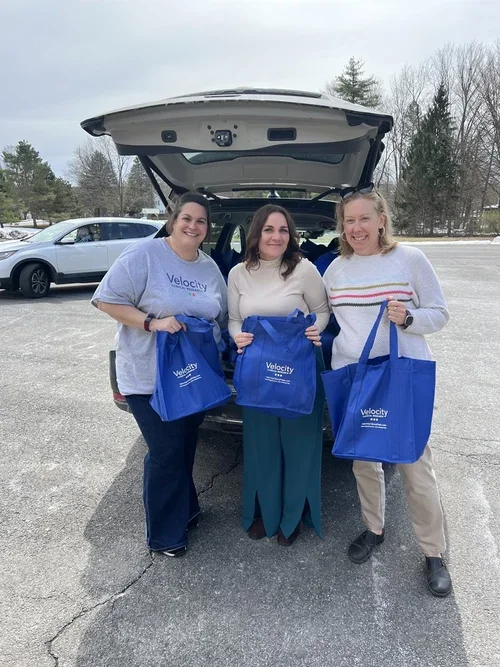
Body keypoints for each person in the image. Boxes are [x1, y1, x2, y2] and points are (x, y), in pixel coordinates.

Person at [323, 185, 452, 597]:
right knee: (365, 463)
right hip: (355, 377)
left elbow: (440, 313)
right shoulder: (335, 270)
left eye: (364, 218)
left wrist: (410, 317)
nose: (357, 228)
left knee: (415, 466)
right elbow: (326, 317)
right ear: (341, 226)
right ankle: (373, 528)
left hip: (400, 376)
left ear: (382, 219)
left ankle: (433, 552)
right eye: (349, 220)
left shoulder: (410, 259)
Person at [91, 192, 227, 558]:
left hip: (193, 377)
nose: (193, 226)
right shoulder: (144, 255)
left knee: (183, 448)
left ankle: (187, 510)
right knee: (165, 454)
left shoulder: (209, 267)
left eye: (200, 221)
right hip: (148, 377)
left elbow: (222, 316)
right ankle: (166, 536)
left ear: (207, 228)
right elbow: (106, 300)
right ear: (172, 219)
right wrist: (152, 322)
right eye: (186, 218)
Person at [228, 204, 330, 546]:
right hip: (257, 371)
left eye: (283, 230)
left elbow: (321, 311)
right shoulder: (238, 273)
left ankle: (292, 517)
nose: (276, 236)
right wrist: (236, 335)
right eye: (269, 229)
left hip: (298, 367)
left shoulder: (304, 269)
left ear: (291, 235)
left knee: (298, 443)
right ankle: (264, 512)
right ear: (256, 234)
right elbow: (232, 318)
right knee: (262, 443)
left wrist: (316, 330)